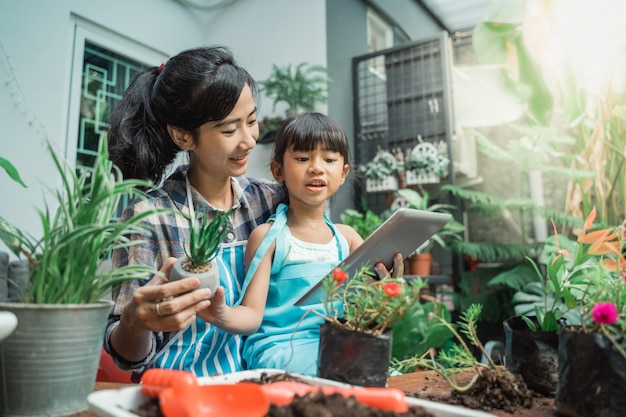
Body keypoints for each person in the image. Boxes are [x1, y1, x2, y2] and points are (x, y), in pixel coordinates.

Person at [103, 46, 286, 381]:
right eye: (230, 130)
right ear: (183, 135)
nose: (248, 140)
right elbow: (126, 356)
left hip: (260, 386)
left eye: (252, 120)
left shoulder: (271, 201)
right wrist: (136, 321)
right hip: (180, 392)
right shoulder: (149, 218)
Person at [203, 112, 366, 376]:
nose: (316, 167)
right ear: (278, 170)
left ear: (343, 172)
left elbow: (368, 302)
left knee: (381, 374)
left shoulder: (347, 239)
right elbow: (252, 315)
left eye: (329, 160)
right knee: (339, 373)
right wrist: (222, 314)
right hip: (279, 348)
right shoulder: (269, 237)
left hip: (334, 346)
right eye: (302, 158)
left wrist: (390, 278)